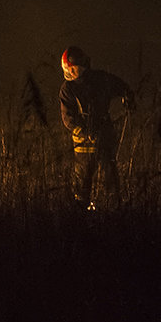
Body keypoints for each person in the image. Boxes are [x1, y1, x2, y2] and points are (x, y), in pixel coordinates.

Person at [59, 46, 134, 210]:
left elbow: (123, 87)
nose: (69, 73)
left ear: (81, 66)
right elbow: (68, 118)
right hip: (83, 145)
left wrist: (128, 98)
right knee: (82, 182)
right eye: (68, 70)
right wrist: (86, 132)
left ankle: (112, 209)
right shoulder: (67, 89)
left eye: (72, 69)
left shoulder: (100, 79)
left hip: (104, 137)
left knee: (109, 177)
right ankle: (80, 214)